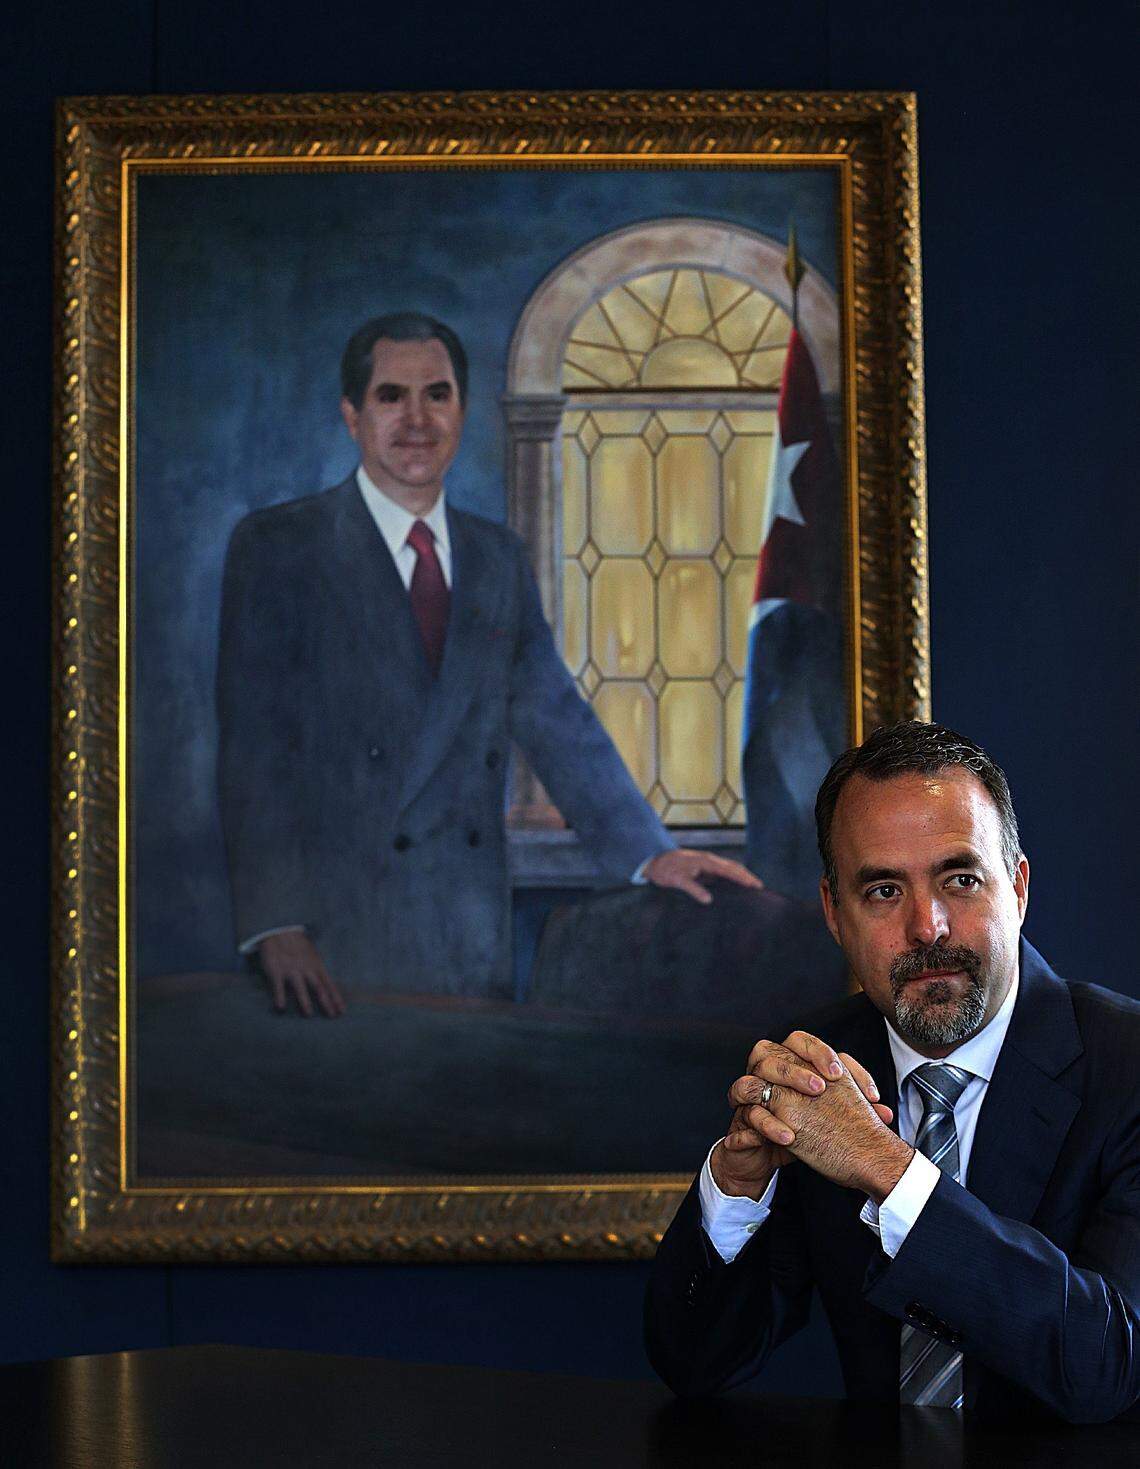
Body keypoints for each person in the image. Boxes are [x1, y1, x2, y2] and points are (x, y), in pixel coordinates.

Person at [217, 311, 760, 1017]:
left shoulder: (494, 556)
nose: (417, 418)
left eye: (436, 394)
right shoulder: (280, 546)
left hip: (466, 930)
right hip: (328, 937)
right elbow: (252, 752)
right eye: (391, 396)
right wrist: (273, 921)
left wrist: (648, 851)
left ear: (463, 410)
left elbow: (555, 717)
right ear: (352, 415)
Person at [645, 721, 1140, 1423]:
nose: (928, 925)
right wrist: (737, 1189)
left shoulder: (1127, 1065)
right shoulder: (819, 1069)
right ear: (833, 913)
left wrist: (889, 1170)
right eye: (882, 891)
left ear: (1019, 888)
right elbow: (694, 1363)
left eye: (961, 879)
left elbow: (1110, 1362)